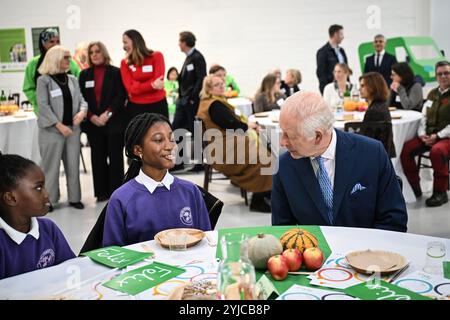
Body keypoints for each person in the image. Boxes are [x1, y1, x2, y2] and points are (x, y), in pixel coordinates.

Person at [272, 91, 407, 232]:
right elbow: (282, 229)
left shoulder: (372, 154)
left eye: (290, 135)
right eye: (282, 132)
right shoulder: (283, 167)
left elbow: (394, 220)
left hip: (368, 249)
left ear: (317, 136)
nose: (282, 142)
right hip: (314, 251)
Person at [102, 113, 211, 247]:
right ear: (138, 149)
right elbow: (113, 254)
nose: (170, 146)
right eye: (159, 140)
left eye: (171, 139)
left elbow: (206, 244)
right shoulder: (121, 199)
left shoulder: (190, 191)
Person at [197, 75, 273, 212]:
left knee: (264, 153)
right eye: (217, 85)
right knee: (264, 158)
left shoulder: (210, 102)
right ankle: (259, 200)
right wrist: (247, 127)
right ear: (209, 89)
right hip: (222, 149)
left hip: (222, 144)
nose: (221, 86)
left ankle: (264, 194)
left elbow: (231, 124)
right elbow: (231, 124)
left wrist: (246, 127)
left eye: (222, 84)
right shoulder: (215, 105)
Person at [0, 153, 75, 280]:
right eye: (38, 188)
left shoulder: (49, 229)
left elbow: (70, 270)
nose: (46, 194)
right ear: (11, 198)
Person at [36, 46, 87, 210]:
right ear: (55, 59)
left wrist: (81, 113)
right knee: (51, 169)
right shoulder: (43, 80)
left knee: (73, 166)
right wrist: (59, 126)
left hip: (72, 130)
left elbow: (82, 101)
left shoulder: (72, 79)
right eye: (66, 57)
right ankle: (50, 200)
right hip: (51, 132)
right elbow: (43, 107)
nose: (69, 60)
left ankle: (74, 198)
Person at [79, 42, 127, 202]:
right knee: (97, 159)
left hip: (114, 122)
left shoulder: (115, 72)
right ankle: (101, 193)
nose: (94, 54)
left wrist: (107, 114)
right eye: (91, 52)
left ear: (104, 53)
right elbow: (82, 99)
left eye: (97, 51)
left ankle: (117, 193)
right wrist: (92, 116)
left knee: (115, 159)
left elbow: (121, 96)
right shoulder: (84, 74)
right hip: (93, 124)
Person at [400, 61, 450, 207]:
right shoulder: (432, 94)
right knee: (405, 149)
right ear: (436, 76)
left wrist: (438, 136)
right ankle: (415, 188)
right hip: (429, 136)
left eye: (446, 73)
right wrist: (422, 134)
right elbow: (423, 117)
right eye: (440, 74)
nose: (443, 76)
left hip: (445, 137)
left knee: (437, 151)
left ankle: (440, 193)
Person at [23, 28, 80, 115]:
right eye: (51, 41)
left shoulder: (70, 61)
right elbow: (28, 88)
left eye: (57, 41)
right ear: (43, 43)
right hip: (45, 113)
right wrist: (42, 101)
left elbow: (79, 82)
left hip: (69, 111)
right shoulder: (34, 64)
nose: (55, 45)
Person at [172, 31, 207, 171]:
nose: (178, 44)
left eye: (180, 41)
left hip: (191, 102)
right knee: (176, 129)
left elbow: (201, 78)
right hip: (183, 101)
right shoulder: (188, 58)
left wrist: (192, 98)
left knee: (195, 131)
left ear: (185, 42)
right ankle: (179, 161)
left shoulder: (197, 57)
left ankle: (199, 164)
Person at [120, 29, 168, 122]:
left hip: (158, 104)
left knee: (162, 134)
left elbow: (159, 83)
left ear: (135, 41)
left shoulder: (157, 56)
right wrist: (151, 85)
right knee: (140, 135)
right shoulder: (125, 63)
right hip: (136, 107)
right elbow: (130, 88)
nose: (124, 46)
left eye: (125, 42)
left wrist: (138, 85)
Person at [359, 72, 396, 158]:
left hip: (373, 157)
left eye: (363, 86)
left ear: (373, 87)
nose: (359, 89)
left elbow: (365, 140)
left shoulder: (374, 111)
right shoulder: (381, 106)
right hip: (382, 155)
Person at [316, 24, 348, 94]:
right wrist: (324, 89)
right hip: (330, 88)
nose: (343, 37)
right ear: (335, 34)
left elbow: (346, 69)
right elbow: (320, 73)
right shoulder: (323, 52)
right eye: (341, 34)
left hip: (344, 87)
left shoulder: (341, 51)